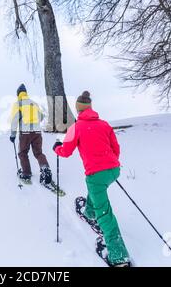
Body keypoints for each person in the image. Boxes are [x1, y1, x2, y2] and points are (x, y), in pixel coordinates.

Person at [53, 91, 130, 267]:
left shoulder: (76, 127)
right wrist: (110, 165)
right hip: (113, 169)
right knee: (96, 188)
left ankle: (119, 257)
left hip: (97, 174)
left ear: (79, 110)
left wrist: (57, 148)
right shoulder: (104, 125)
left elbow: (65, 151)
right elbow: (115, 148)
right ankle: (89, 212)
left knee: (105, 214)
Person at [10, 84, 52, 186]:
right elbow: (41, 117)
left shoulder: (18, 104)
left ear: (18, 94)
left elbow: (15, 120)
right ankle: (45, 168)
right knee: (38, 153)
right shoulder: (34, 104)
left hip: (25, 133)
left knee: (22, 153)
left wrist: (13, 134)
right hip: (37, 132)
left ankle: (26, 173)